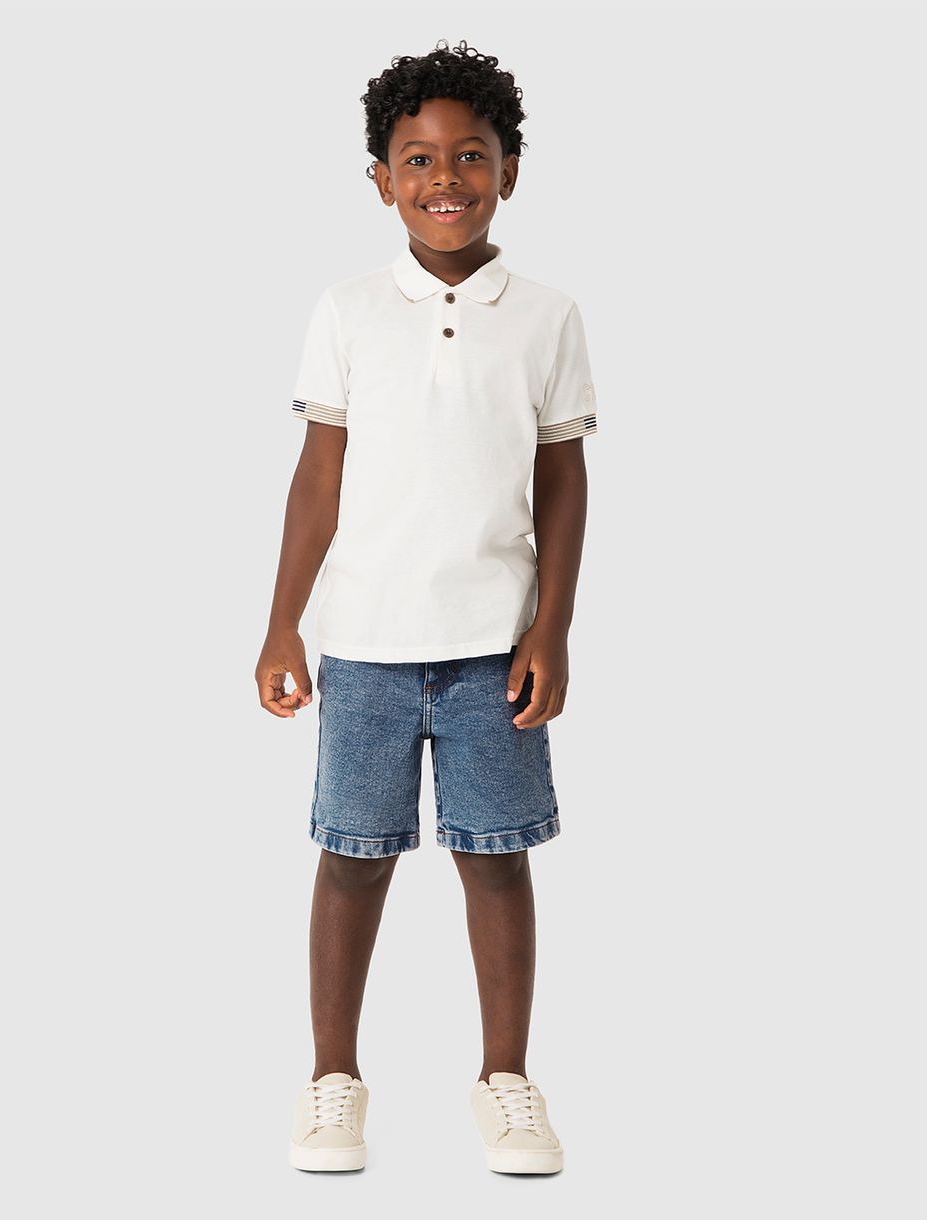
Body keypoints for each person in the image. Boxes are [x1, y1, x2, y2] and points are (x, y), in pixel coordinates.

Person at [255, 37, 598, 1176]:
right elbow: (318, 476)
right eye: (417, 159)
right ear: (381, 180)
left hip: (495, 646)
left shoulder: (545, 316)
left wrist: (551, 626)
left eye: (470, 155)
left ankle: (507, 1079)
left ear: (509, 169)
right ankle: (333, 1079)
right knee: (353, 856)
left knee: (495, 857)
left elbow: (562, 478)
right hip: (364, 643)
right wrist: (282, 621)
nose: (444, 178)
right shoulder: (349, 310)